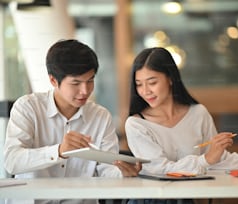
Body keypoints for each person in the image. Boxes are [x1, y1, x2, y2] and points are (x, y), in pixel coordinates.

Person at [3, 39, 142, 204]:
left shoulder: (100, 116)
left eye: (90, 81)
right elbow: (12, 161)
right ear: (53, 81)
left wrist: (123, 172)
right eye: (76, 83)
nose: (85, 91)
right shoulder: (28, 107)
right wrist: (59, 151)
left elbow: (106, 170)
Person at [125, 47, 238, 175]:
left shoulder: (198, 113)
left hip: (187, 199)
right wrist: (206, 159)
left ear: (171, 78)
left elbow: (218, 159)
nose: (145, 91)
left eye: (152, 82)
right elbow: (159, 169)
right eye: (139, 84)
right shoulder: (136, 124)